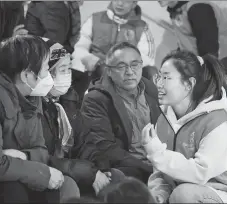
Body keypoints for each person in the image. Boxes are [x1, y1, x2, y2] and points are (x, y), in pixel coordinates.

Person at [141, 50, 227, 203]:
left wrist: (157, 154)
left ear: (189, 84)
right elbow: (161, 172)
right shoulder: (163, 119)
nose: (159, 83)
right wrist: (158, 194)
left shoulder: (217, 122)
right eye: (159, 76)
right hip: (185, 192)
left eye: (166, 77)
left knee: (184, 195)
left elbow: (199, 174)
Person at [0, 35, 78, 203]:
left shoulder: (31, 94)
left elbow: (41, 150)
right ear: (26, 76)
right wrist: (43, 173)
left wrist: (23, 156)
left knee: (63, 185)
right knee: (12, 190)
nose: (48, 77)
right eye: (46, 70)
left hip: (18, 172)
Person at [40, 39, 125, 196]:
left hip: (75, 168)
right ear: (46, 74)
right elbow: (43, 158)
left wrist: (100, 168)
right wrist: (90, 173)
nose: (68, 75)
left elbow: (85, 143)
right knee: (68, 185)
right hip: (50, 173)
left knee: (116, 177)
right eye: (63, 70)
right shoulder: (35, 107)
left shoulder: (67, 102)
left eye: (69, 69)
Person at [78, 42, 162, 184]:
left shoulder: (151, 89)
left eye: (135, 64)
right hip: (128, 167)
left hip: (159, 161)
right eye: (121, 66)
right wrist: (151, 169)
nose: (129, 71)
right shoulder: (96, 99)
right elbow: (105, 149)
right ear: (109, 71)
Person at [72, 0, 156, 103]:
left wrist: (125, 64)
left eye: (126, 1)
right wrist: (89, 58)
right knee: (105, 70)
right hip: (97, 69)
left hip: (127, 71)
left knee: (152, 73)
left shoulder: (142, 27)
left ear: (134, 4)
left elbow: (147, 58)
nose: (120, 4)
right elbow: (79, 46)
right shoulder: (95, 18)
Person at [158, 1, 227, 59]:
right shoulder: (178, 10)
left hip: (224, 68)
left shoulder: (198, 8)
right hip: (207, 65)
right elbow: (188, 42)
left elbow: (209, 49)